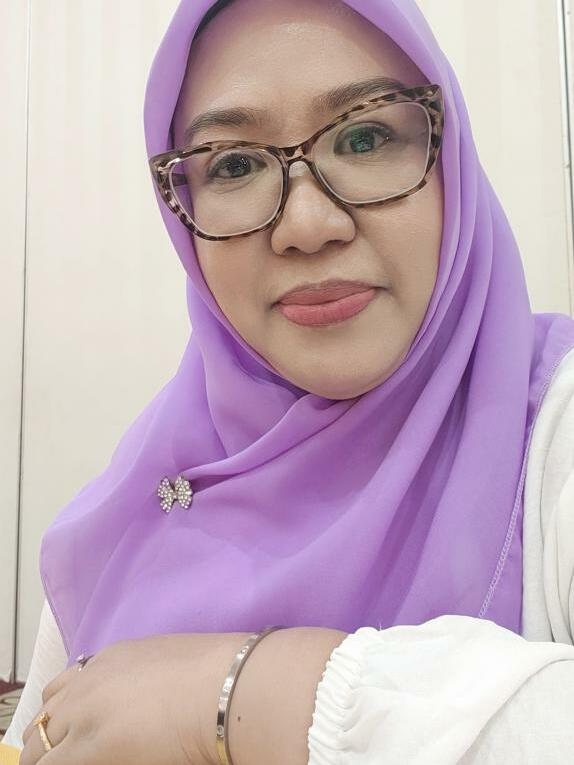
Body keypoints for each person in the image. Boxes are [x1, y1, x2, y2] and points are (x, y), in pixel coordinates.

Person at [3, 0, 574, 762]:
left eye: (365, 136)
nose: (307, 224)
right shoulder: (141, 501)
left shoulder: (554, 433)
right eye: (234, 164)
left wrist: (250, 693)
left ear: (453, 162)